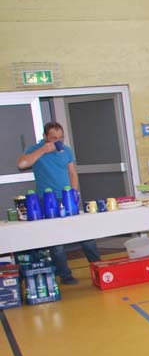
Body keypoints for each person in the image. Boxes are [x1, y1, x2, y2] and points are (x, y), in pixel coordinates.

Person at [17, 122, 101, 284]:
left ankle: (98, 267)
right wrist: (43, 150)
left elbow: (72, 173)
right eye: (54, 138)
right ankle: (65, 275)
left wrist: (74, 193)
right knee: (56, 241)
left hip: (67, 197)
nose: (58, 141)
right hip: (47, 200)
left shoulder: (66, 151)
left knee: (86, 235)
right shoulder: (36, 149)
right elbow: (21, 164)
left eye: (61, 137)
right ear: (45, 137)